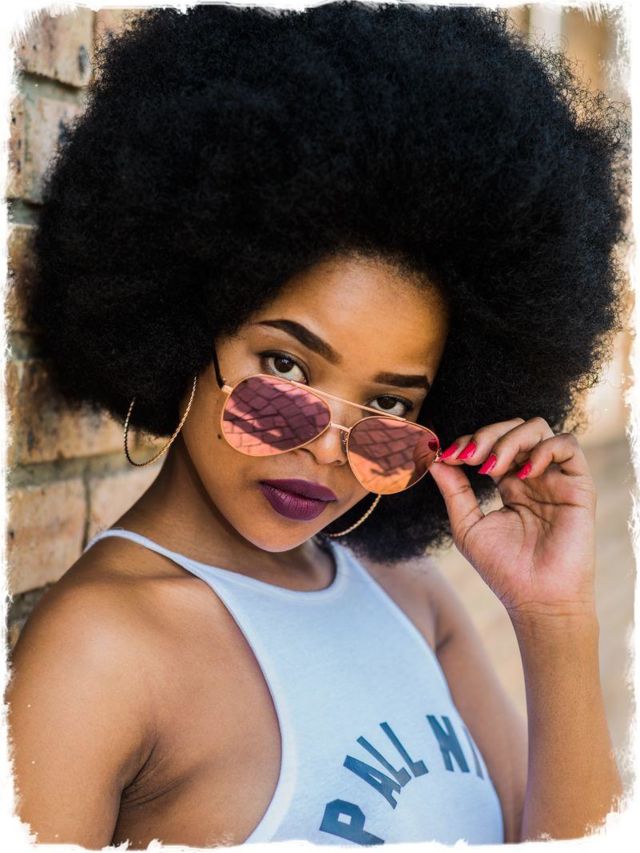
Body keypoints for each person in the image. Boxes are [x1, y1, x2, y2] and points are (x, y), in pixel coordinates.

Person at [6, 2, 629, 848]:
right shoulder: (101, 650)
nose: (327, 447)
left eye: (391, 407)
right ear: (187, 326)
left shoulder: (408, 595)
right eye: (288, 367)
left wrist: (554, 620)